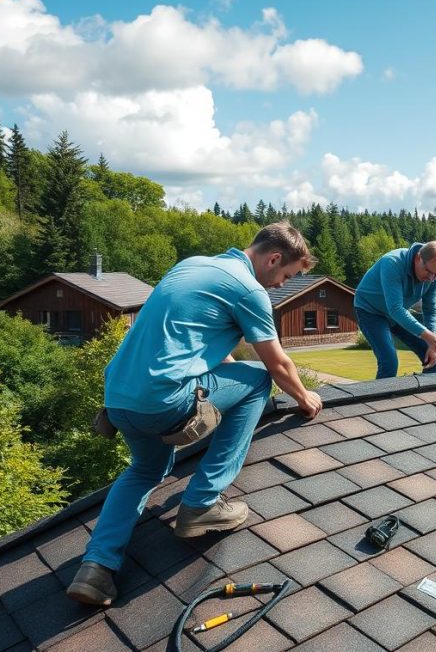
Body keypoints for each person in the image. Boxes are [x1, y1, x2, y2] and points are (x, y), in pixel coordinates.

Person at [66, 221, 323, 606]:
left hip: (118, 400)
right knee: (257, 380)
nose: (282, 285)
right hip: (163, 400)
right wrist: (305, 398)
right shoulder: (249, 290)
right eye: (286, 274)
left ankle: (96, 568)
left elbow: (202, 344)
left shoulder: (193, 266)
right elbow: (278, 365)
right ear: (273, 258)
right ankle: (202, 503)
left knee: (145, 471)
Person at [355, 241, 436, 379]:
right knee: (389, 362)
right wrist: (431, 337)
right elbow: (395, 309)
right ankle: (382, 399)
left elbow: (431, 310)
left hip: (398, 313)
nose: (431, 279)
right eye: (429, 272)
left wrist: (433, 343)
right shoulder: (392, 263)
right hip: (370, 311)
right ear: (418, 258)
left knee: (435, 356)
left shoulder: (434, 275)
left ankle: (429, 397)